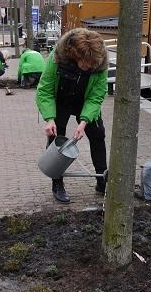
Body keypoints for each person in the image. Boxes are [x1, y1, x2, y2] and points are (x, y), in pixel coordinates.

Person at [36, 28, 109, 203]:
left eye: (92, 64)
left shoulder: (100, 62)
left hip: (85, 99)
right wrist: (49, 118)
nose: (89, 67)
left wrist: (84, 121)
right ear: (75, 54)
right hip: (61, 98)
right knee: (56, 137)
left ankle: (102, 180)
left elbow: (97, 95)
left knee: (98, 134)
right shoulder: (58, 57)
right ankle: (57, 182)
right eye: (85, 63)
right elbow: (45, 89)